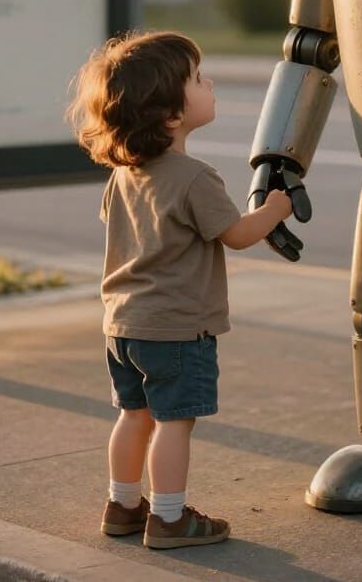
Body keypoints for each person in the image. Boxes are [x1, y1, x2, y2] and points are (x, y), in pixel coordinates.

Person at [67, 30, 295, 549]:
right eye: (197, 78)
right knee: (175, 422)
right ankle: (169, 519)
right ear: (171, 115)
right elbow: (237, 235)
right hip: (176, 329)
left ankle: (123, 505)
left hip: (123, 325)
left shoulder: (124, 176)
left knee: (134, 415)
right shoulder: (195, 178)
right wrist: (274, 210)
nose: (208, 82)